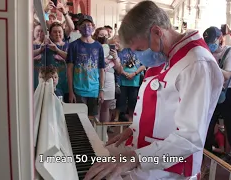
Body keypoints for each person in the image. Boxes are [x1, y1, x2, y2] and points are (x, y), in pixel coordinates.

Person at [84, 1, 223, 179]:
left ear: (157, 32)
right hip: (145, 153)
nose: (140, 55)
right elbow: (161, 105)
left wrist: (134, 158)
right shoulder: (164, 54)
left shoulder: (196, 64)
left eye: (140, 49)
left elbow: (189, 138)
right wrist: (135, 129)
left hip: (169, 168)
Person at [203, 26, 231, 171]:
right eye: (208, 42)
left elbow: (227, 75)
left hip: (228, 94)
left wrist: (209, 64)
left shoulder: (230, 51)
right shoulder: (207, 51)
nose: (211, 45)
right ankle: (207, 164)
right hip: (213, 93)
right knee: (206, 130)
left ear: (220, 39)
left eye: (213, 41)